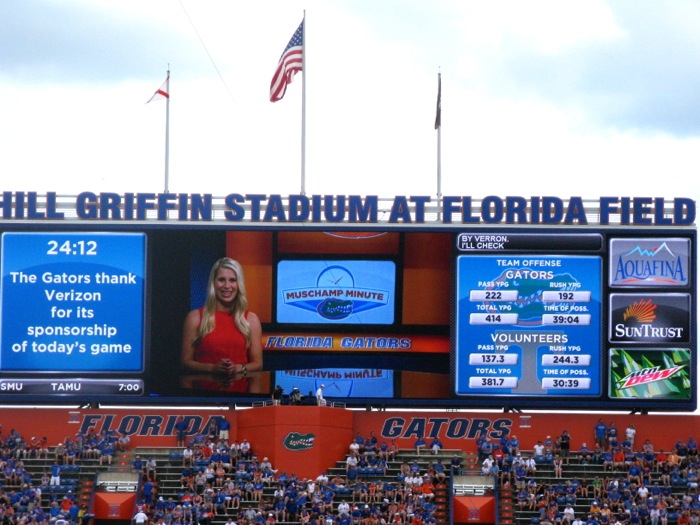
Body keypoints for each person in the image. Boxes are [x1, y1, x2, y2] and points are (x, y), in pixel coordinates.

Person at [181, 257, 263, 392]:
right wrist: (213, 368)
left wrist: (239, 368)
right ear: (213, 283)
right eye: (221, 280)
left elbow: (258, 364)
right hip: (205, 401)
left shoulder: (251, 320)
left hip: (239, 400)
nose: (227, 286)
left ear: (239, 284)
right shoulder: (195, 317)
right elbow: (185, 363)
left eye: (232, 280)